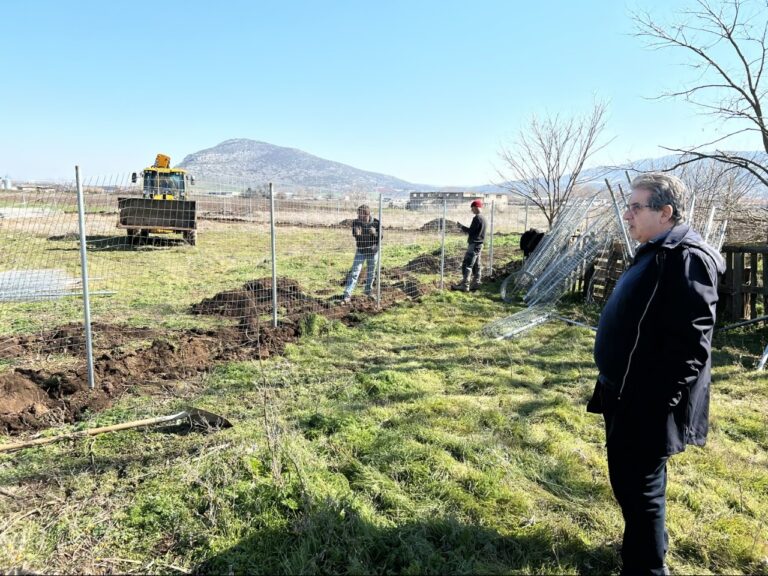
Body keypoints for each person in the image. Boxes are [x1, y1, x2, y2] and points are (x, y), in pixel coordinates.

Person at [587, 173, 725, 575]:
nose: (627, 214)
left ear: (665, 212)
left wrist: (653, 404)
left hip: (645, 402)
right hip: (623, 389)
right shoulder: (655, 249)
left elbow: (691, 347)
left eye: (636, 206)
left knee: (641, 490)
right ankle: (645, 543)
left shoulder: (687, 258)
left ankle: (647, 567)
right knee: (630, 485)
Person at [341, 204, 380, 303]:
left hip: (372, 252)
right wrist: (356, 234)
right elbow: (355, 234)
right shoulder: (356, 222)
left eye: (360, 214)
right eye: (358, 214)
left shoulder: (376, 223)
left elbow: (381, 237)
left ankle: (368, 291)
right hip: (361, 251)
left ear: (367, 214)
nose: (358, 216)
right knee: (355, 273)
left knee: (371, 273)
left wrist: (375, 233)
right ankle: (347, 294)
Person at [451, 199, 487, 291]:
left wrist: (461, 227)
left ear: (476, 207)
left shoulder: (477, 218)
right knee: (477, 264)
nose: (472, 210)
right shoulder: (483, 218)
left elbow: (471, 231)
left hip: (474, 244)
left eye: (472, 208)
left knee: (467, 264)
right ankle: (476, 283)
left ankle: (465, 285)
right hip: (480, 244)